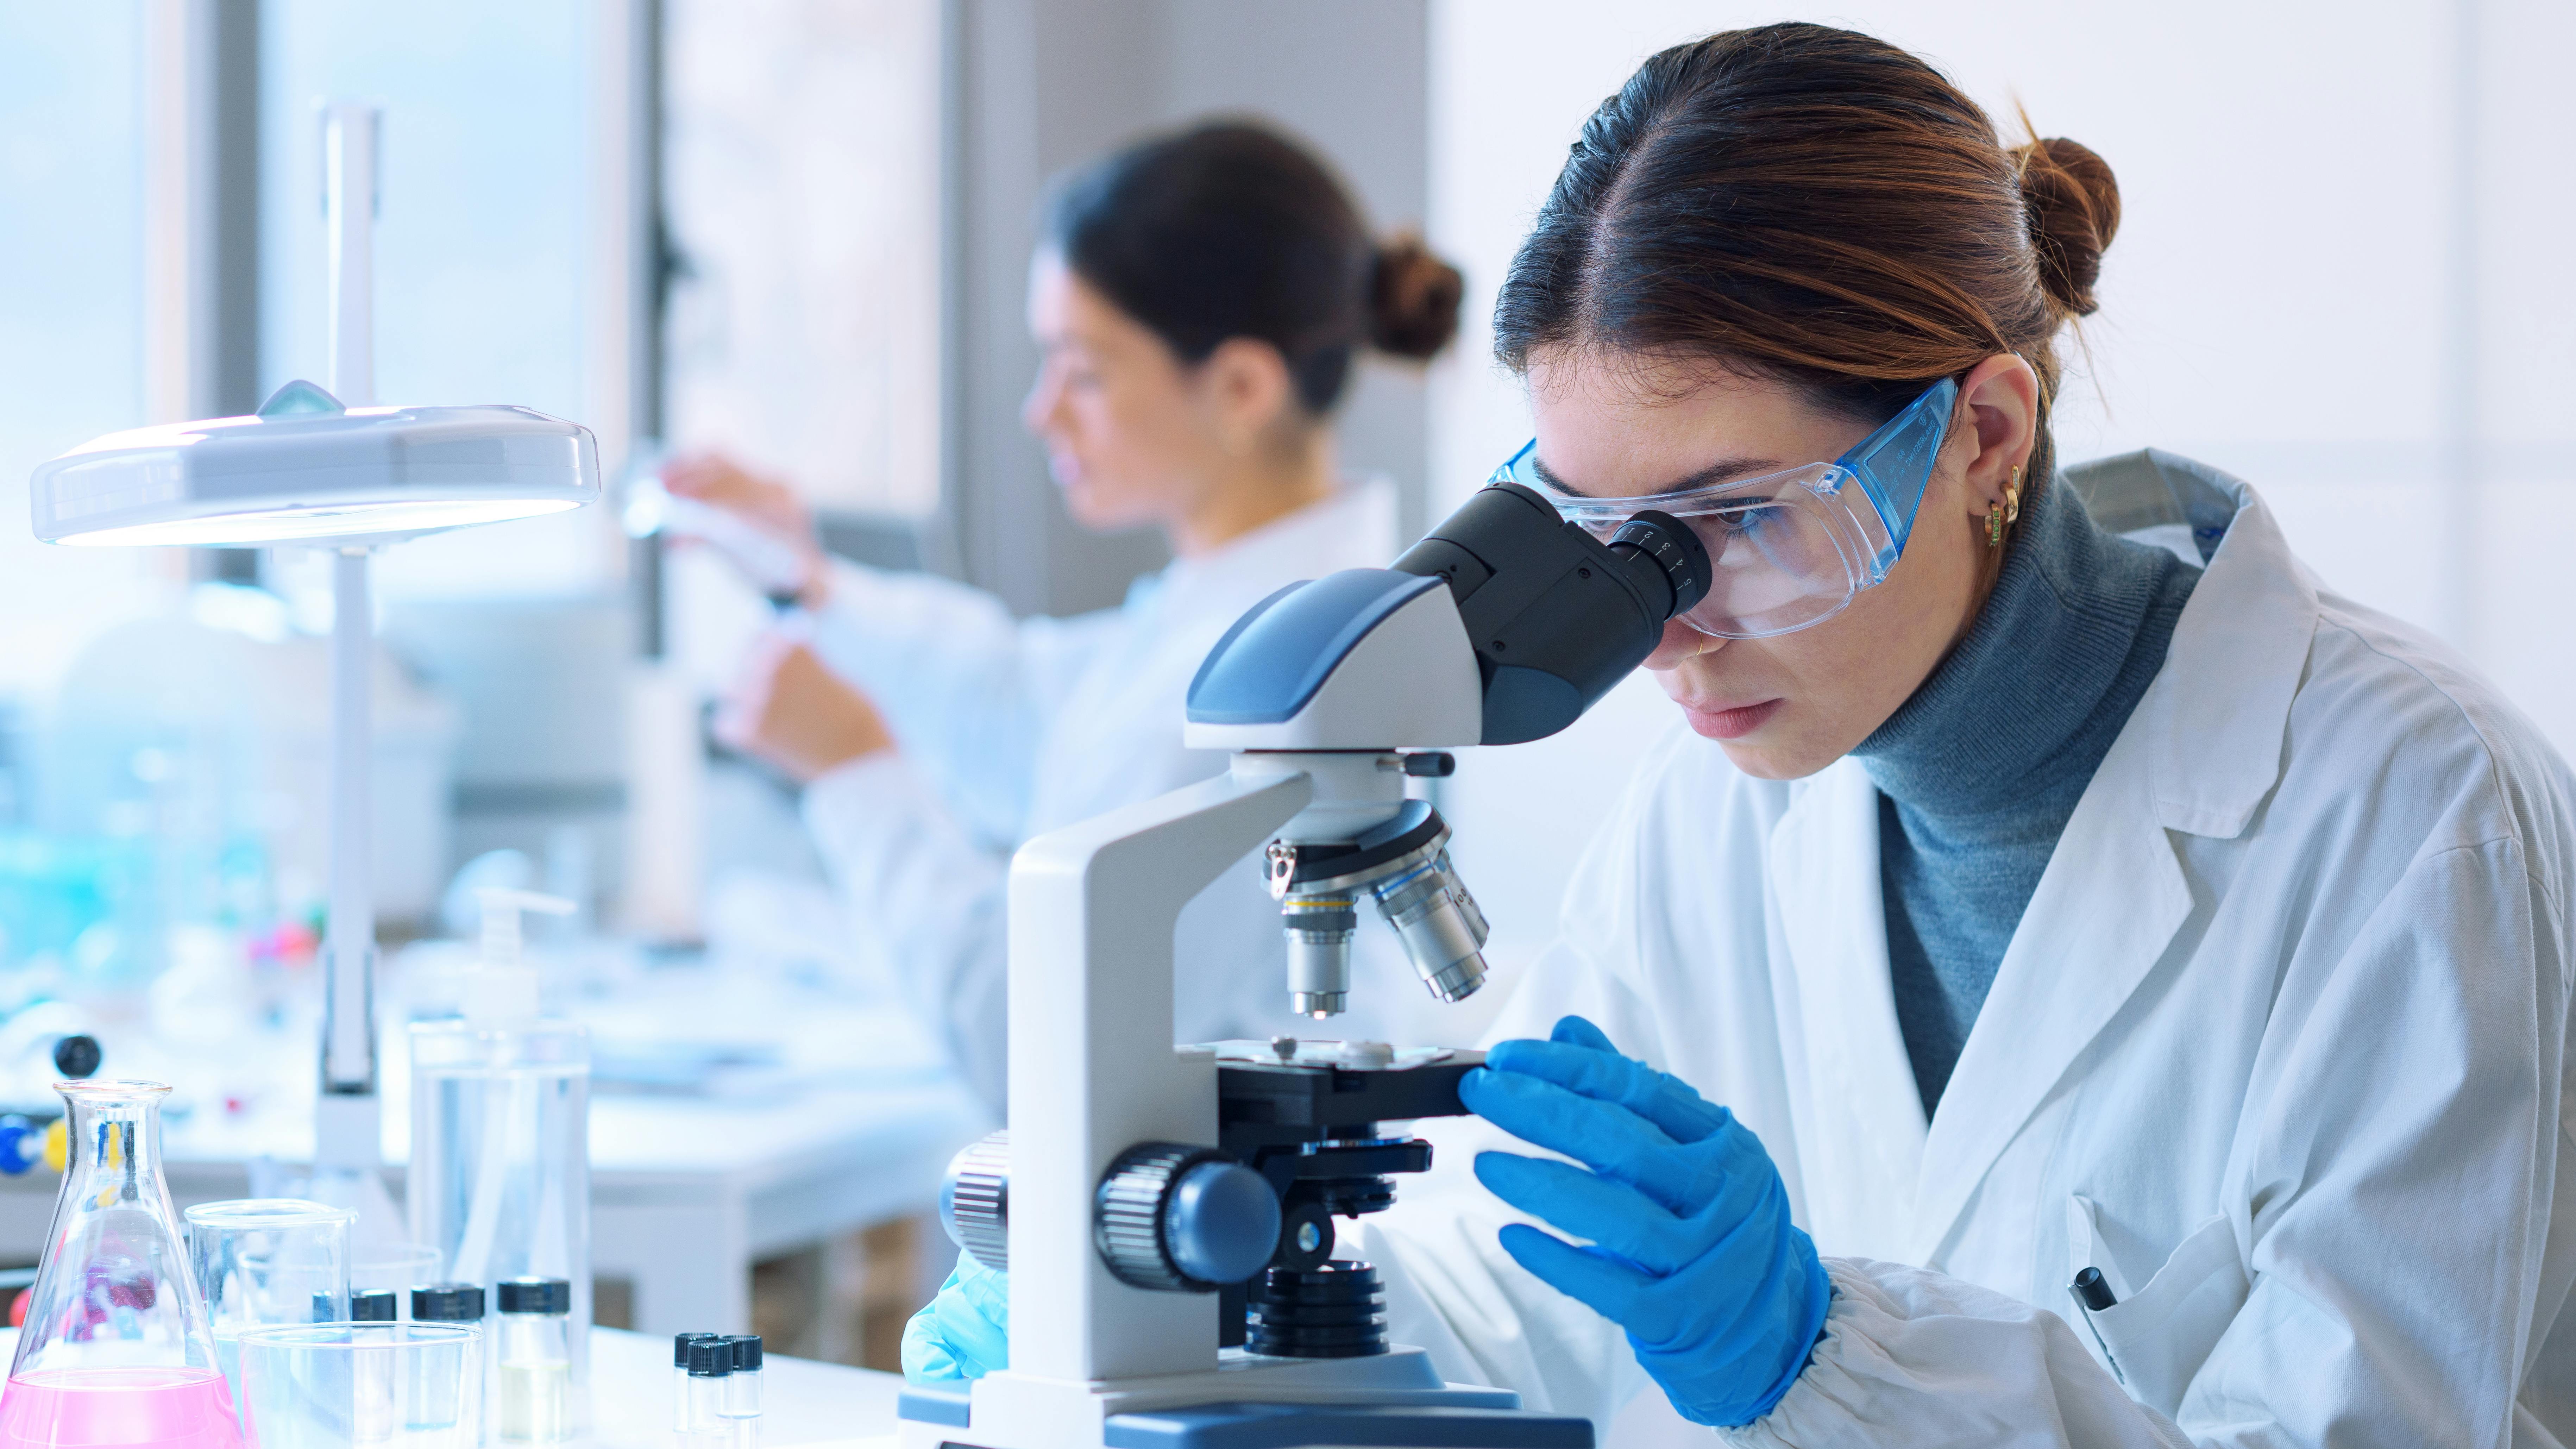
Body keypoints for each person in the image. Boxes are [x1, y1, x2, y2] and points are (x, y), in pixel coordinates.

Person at [902, 23, 2576, 1445]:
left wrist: (1818, 1358)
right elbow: (1535, 1284)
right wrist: (1196, 1297)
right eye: (1599, 544)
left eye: (1738, 520)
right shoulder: (1726, 801)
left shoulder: (2415, 817)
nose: (1664, 634)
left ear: (1984, 433)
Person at [673, 122, 1467, 1111]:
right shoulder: (1237, 616)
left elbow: (1041, 1048)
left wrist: (855, 778)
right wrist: (806, 584)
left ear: (1240, 387)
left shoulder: (1287, 685)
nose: (1041, 411)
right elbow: (1024, 701)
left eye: (1083, 370)